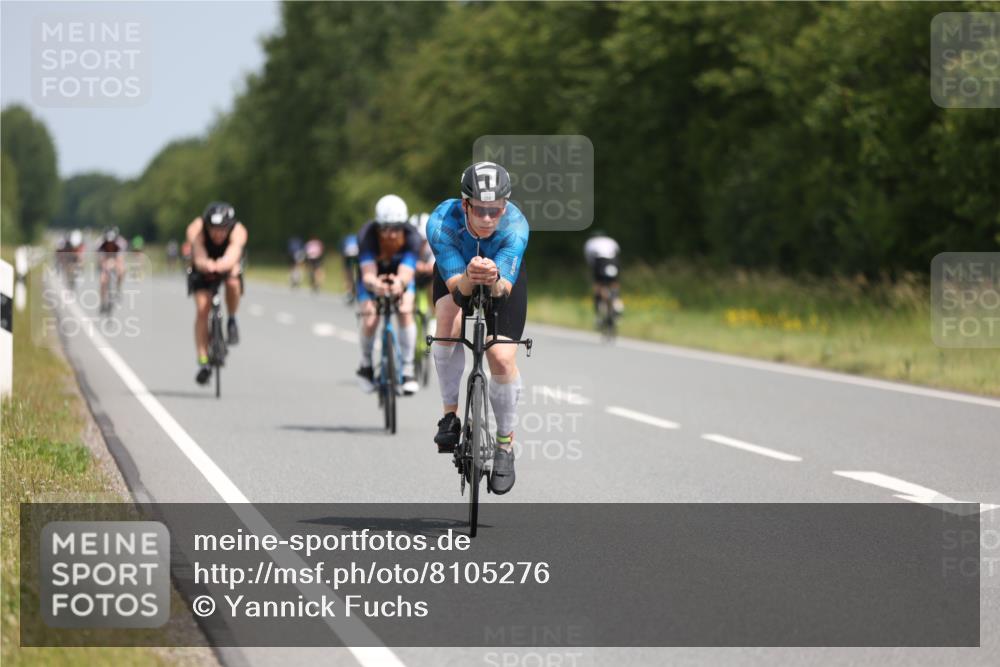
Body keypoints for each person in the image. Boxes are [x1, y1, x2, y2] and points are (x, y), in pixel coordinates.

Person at [426, 161, 529, 495]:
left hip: (501, 277)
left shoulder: (516, 226)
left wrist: (493, 278)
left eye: (494, 210)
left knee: (501, 357)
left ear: (505, 206)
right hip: (458, 272)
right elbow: (458, 292)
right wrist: (471, 276)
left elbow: (502, 292)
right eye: (480, 210)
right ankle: (450, 414)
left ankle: (505, 444)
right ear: (465, 204)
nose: (487, 218)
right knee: (448, 318)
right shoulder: (442, 222)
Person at [355, 194, 422, 396]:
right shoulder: (367, 235)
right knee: (370, 318)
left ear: (404, 226)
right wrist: (376, 285)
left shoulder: (413, 237)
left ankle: (408, 369)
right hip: (373, 278)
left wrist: (399, 283)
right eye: (385, 228)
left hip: (399, 277)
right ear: (377, 226)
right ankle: (366, 365)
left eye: (396, 228)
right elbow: (368, 274)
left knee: (405, 309)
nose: (391, 234)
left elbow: (407, 271)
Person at [186, 202, 248, 385]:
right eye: (213, 229)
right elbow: (199, 255)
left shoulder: (238, 231)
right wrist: (207, 265)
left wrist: (222, 265)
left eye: (222, 230)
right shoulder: (196, 229)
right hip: (203, 265)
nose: (217, 234)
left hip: (227, 261)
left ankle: (232, 319)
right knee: (202, 310)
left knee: (233, 282)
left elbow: (233, 253)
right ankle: (203, 360)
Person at [583, 230, 624, 320]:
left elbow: (589, 259)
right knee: (614, 283)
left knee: (599, 285)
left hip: (600, 262)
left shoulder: (590, 242)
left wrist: (592, 270)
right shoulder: (611, 240)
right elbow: (617, 252)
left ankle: (599, 310)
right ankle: (617, 303)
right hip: (614, 261)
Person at [96, 227, 126, 313]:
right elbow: (100, 259)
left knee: (122, 270)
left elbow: (120, 258)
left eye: (112, 242)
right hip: (105, 260)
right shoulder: (100, 243)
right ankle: (102, 303)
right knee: (102, 281)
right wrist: (104, 265)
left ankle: (118, 288)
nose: (110, 244)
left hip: (115, 259)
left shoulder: (121, 242)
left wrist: (116, 264)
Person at [340, 233, 360, 303]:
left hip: (348, 255)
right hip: (357, 254)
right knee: (358, 272)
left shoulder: (345, 239)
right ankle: (357, 289)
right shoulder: (358, 238)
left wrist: (344, 265)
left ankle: (349, 291)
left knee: (348, 274)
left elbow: (342, 252)